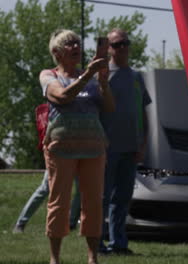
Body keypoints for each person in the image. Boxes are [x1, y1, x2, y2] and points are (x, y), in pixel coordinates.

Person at [40, 29, 115, 264]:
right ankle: (55, 258)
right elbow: (61, 97)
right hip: (61, 148)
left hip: (93, 148)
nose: (76, 47)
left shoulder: (91, 76)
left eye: (77, 43)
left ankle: (92, 258)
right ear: (56, 52)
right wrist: (88, 75)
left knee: (93, 202)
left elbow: (109, 108)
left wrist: (102, 81)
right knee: (58, 202)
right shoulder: (48, 75)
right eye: (69, 44)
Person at [99, 28, 152, 255]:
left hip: (131, 148)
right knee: (102, 198)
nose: (123, 48)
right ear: (109, 49)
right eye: (117, 44)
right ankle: (97, 243)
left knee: (122, 199)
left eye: (125, 43)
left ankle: (119, 243)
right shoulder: (101, 75)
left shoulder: (136, 77)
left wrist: (143, 144)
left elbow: (143, 113)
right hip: (107, 148)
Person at [13, 171, 81, 233]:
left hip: (80, 158)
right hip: (58, 158)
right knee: (45, 189)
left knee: (82, 190)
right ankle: (20, 224)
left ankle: (71, 224)